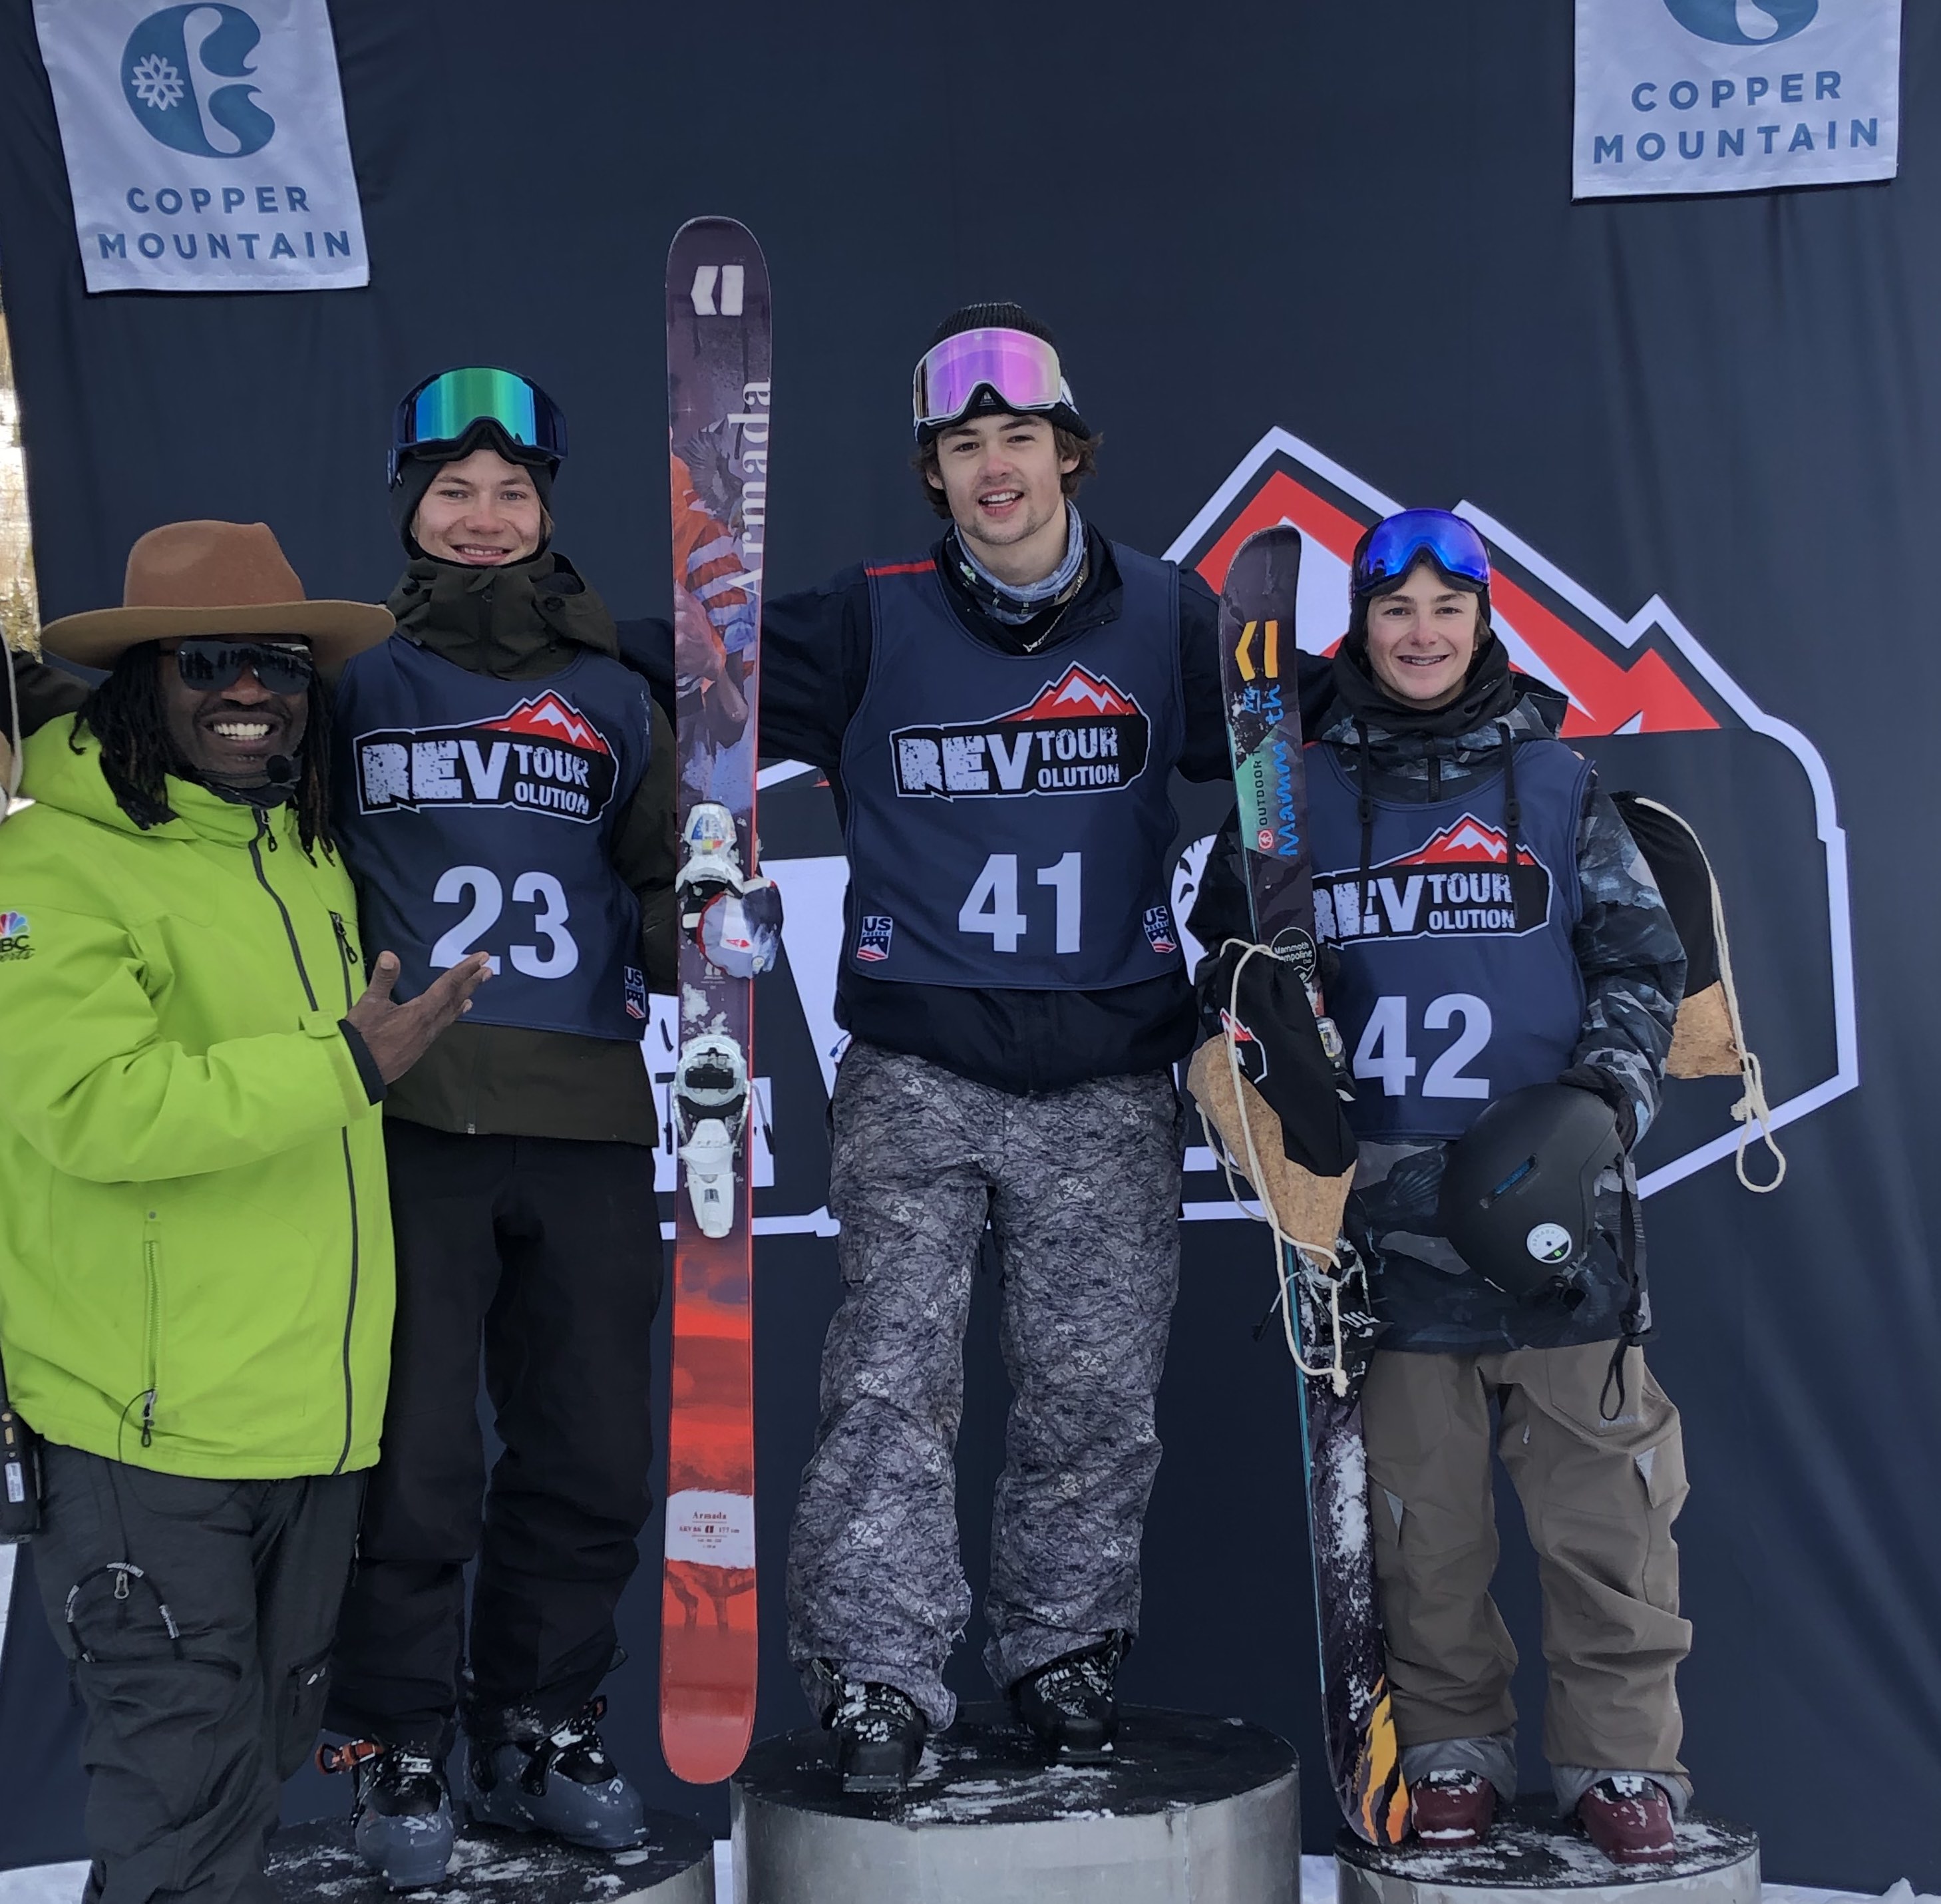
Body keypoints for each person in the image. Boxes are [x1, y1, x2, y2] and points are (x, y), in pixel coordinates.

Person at [626, 303, 1244, 1790]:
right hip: (919, 1062)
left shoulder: (1169, 615)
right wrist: (574, 619)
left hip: (1105, 1067)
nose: (992, 469)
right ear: (934, 475)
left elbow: (1286, 772)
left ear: (1069, 454)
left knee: (1091, 1394)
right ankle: (880, 1676)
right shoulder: (867, 618)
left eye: (1016, 438)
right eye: (961, 446)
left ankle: (1062, 1648)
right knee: (892, 1381)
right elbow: (681, 666)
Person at [1192, 509, 1691, 1865]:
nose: (1419, 632)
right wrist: (1261, 1011)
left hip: (1556, 1225)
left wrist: (1600, 1107)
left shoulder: (1558, 787)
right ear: (1359, 627)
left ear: (1482, 626)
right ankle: (1455, 1747)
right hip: (1385, 1235)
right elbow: (1225, 972)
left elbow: (1645, 968)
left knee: (1608, 1523)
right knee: (1427, 1530)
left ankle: (1622, 1763)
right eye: (1393, 608)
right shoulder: (1286, 797)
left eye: (1446, 608)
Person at [0, 520, 487, 1904]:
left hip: (309, 1426)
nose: (248, 690)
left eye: (276, 663)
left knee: (248, 1778)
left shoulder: (311, 860)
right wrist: (346, 1064)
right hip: (145, 1439)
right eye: (209, 661)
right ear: (140, 684)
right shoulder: (43, 874)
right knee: (180, 1811)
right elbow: (95, 1107)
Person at [317, 369, 677, 1884]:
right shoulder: (355, 681)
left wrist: (706, 927)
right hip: (411, 1120)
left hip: (587, 1111)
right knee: (414, 1462)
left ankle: (538, 1718)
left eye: (513, 493)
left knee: (588, 1446)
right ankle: (399, 1742)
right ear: (410, 502)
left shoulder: (611, 693)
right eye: (455, 490)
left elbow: (662, 885)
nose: (484, 518)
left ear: (547, 513)